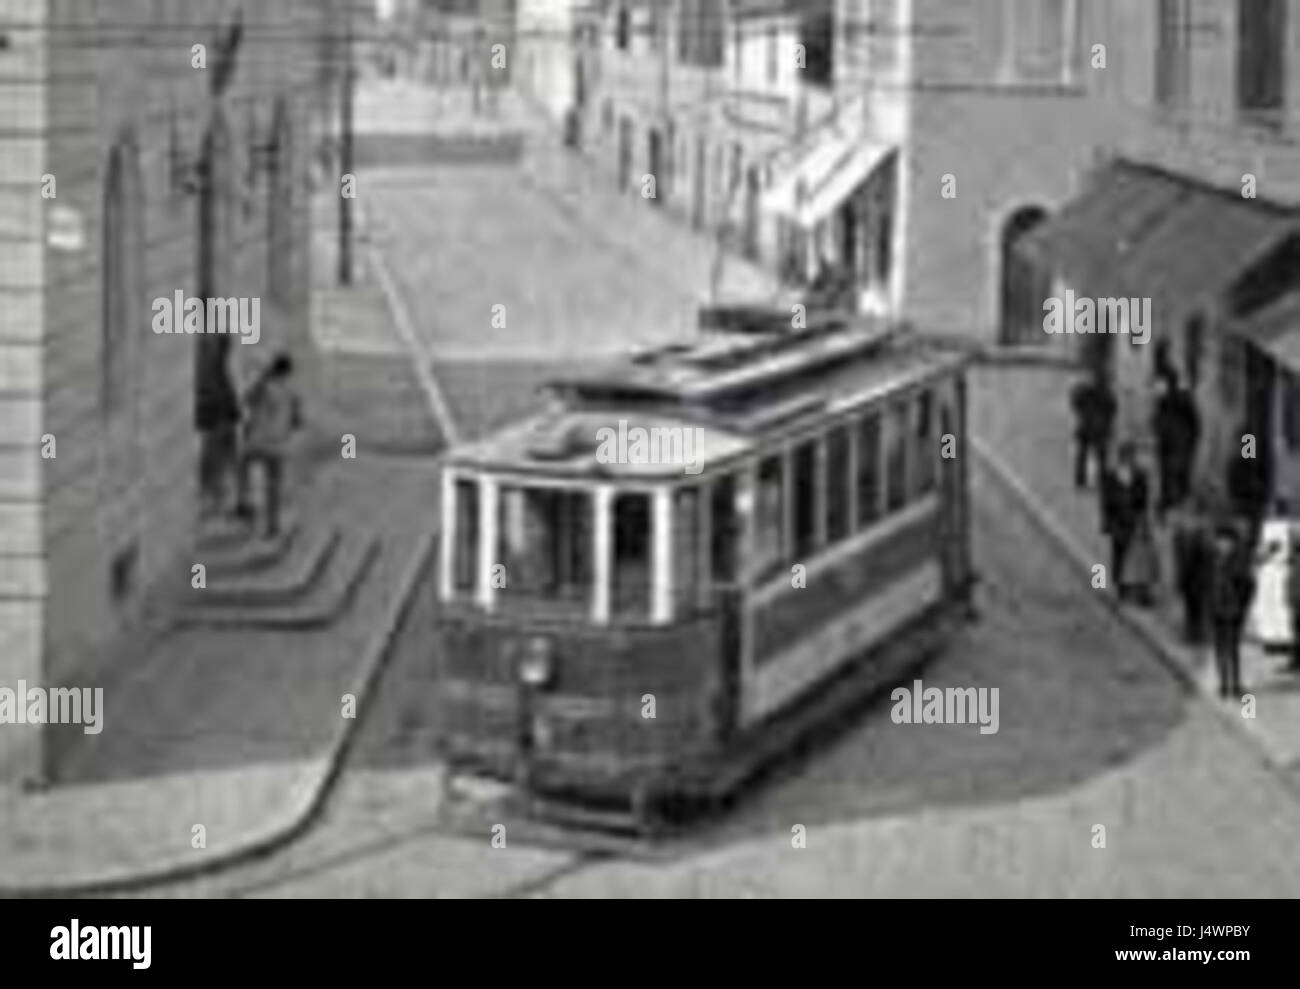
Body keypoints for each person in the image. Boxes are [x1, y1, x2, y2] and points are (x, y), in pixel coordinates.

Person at [234, 353, 302, 539]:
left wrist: (262, 377)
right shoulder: (293, 393)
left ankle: (245, 502)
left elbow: (246, 400)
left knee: (242, 465)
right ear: (288, 373)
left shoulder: (264, 386)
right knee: (274, 487)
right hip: (278, 446)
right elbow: (297, 422)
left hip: (257, 442)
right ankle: (273, 525)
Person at [1209, 521, 1255, 698]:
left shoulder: (1239, 562)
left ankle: (1235, 685)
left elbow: (1248, 585)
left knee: (1232, 648)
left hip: (1232, 610)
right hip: (1216, 608)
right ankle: (1223, 684)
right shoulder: (1212, 559)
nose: (1221, 545)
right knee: (1219, 647)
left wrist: (1242, 606)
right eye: (1219, 541)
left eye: (1225, 541)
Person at [1102, 440, 1151, 602]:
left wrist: (1142, 519)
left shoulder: (1140, 476)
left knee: (1134, 555)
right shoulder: (1111, 476)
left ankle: (1135, 588)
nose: (1129, 460)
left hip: (1133, 521)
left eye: (1131, 457)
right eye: (1126, 457)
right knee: (1118, 553)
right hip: (1117, 521)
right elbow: (1106, 502)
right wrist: (1106, 523)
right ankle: (1119, 587)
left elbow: (1143, 500)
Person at [1171, 497, 1213, 644]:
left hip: (1194, 574)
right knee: (1194, 605)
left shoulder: (1187, 530)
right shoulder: (1190, 530)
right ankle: (1194, 632)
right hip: (1192, 574)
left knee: (1194, 605)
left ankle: (1194, 632)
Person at [1070, 371, 1116, 489]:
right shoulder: (1105, 393)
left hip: (1089, 426)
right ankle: (1098, 479)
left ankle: (1081, 480)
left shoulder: (1085, 391)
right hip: (1096, 427)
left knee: (1086, 455)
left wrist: (1082, 415)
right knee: (1098, 455)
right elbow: (1112, 409)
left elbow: (1075, 402)